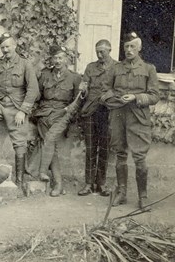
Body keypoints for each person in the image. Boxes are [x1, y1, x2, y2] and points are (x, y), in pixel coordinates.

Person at [101, 32, 159, 210]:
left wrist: (135, 97)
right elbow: (105, 91)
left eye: (133, 46)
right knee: (120, 153)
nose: (129, 49)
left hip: (138, 118)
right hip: (118, 116)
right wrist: (116, 98)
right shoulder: (115, 68)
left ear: (139, 48)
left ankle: (143, 197)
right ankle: (122, 193)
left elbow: (155, 96)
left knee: (140, 157)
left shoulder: (149, 69)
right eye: (126, 46)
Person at [0, 32, 39, 193]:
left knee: (19, 142)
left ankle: (20, 182)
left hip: (16, 107)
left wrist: (23, 110)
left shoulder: (24, 64)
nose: (5, 50)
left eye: (8, 46)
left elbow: (33, 89)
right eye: (3, 47)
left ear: (14, 46)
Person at [32, 45, 82, 197]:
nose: (58, 61)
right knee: (51, 143)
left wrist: (66, 113)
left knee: (50, 138)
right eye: (55, 58)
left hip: (62, 115)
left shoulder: (74, 78)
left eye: (61, 57)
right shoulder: (45, 75)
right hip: (44, 115)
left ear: (66, 59)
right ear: (52, 59)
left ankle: (43, 172)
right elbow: (37, 96)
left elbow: (77, 102)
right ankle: (58, 184)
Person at [77, 40, 118, 196]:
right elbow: (84, 88)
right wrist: (83, 90)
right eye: (97, 52)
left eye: (103, 52)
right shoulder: (90, 67)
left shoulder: (117, 68)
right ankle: (88, 183)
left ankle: (101, 183)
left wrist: (111, 93)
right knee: (90, 148)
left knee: (105, 149)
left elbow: (121, 88)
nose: (100, 55)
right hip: (90, 111)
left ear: (110, 50)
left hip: (107, 111)